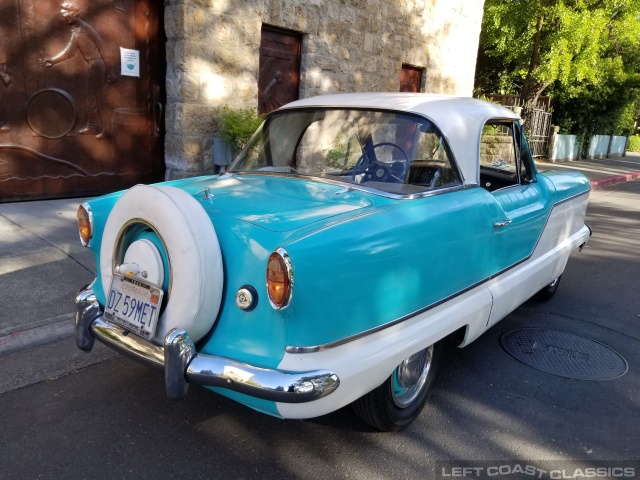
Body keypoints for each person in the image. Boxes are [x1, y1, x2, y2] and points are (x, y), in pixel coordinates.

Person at [41, 2, 115, 138]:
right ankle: (92, 126)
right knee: (90, 97)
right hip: (92, 65)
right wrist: (52, 60)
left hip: (97, 65)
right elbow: (69, 51)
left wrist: (110, 71)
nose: (64, 15)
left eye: (67, 12)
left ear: (75, 13)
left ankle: (106, 129)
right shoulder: (76, 31)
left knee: (98, 98)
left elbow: (102, 47)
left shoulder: (86, 28)